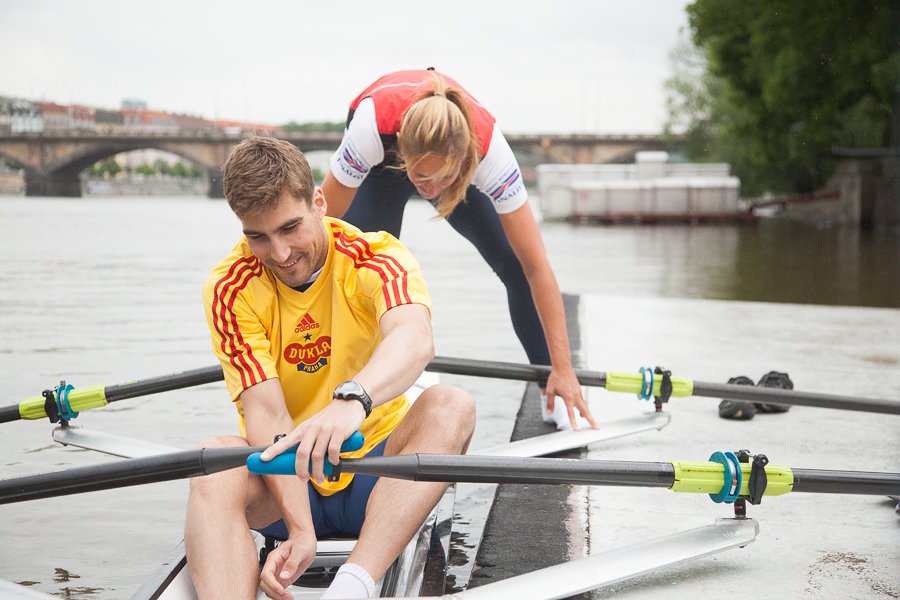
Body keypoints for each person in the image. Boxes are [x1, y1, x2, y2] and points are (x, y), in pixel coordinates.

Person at [185, 137, 476, 600]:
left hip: (372, 467)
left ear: (318, 202)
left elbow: (414, 338)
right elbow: (266, 413)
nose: (279, 253)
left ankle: (354, 584)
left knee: (451, 406)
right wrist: (300, 529)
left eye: (290, 227)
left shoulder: (376, 256)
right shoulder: (229, 286)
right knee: (211, 463)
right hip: (287, 480)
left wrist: (353, 399)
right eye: (257, 236)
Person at [322, 68, 596, 431]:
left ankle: (554, 390)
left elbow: (536, 268)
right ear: (404, 144)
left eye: (443, 179)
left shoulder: (490, 152)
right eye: (422, 178)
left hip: (451, 160)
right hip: (381, 167)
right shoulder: (369, 131)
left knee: (514, 264)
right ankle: (356, 388)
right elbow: (318, 231)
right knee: (362, 271)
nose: (431, 191)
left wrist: (563, 366)